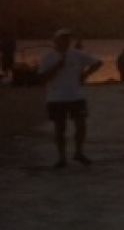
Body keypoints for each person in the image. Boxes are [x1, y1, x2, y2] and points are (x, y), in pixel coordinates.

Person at [37, 28, 103, 167]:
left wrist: (85, 74)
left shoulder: (77, 54)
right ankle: (62, 158)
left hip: (76, 96)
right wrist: (58, 66)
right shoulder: (48, 57)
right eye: (62, 39)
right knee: (60, 128)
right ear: (55, 41)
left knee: (81, 125)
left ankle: (78, 152)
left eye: (68, 39)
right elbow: (42, 78)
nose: (66, 41)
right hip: (56, 98)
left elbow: (98, 63)